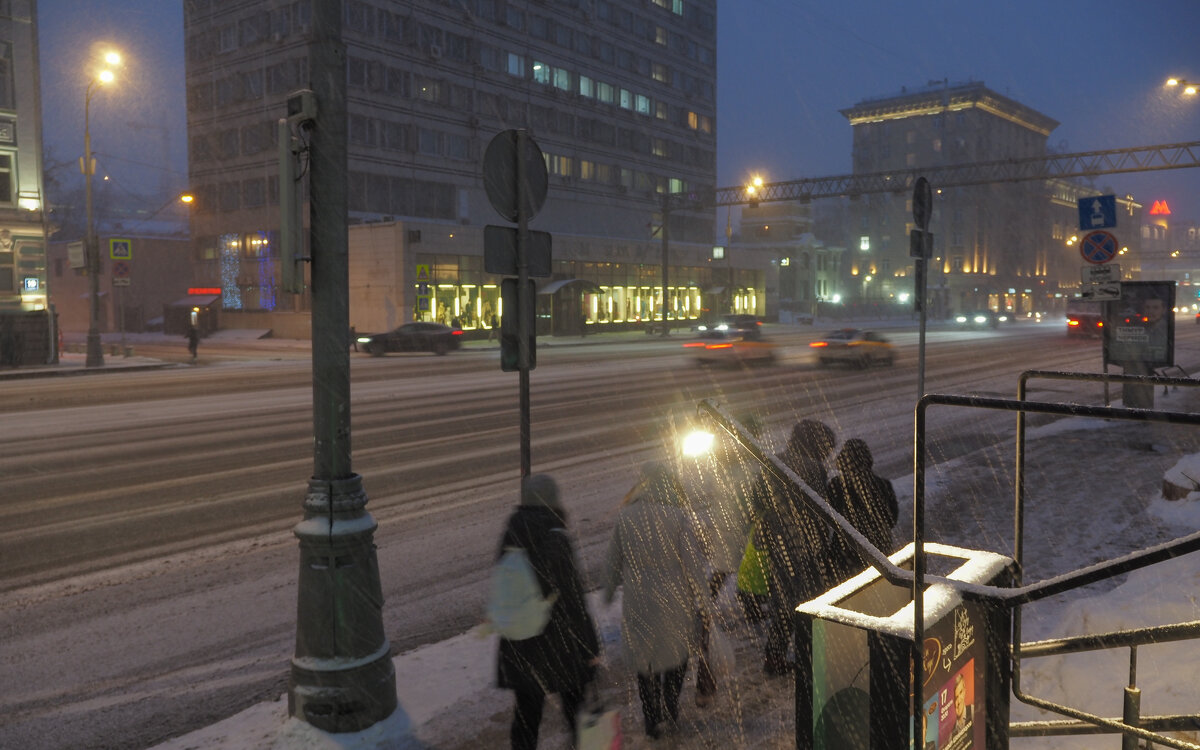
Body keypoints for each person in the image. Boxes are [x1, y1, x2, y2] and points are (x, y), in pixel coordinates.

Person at [495, 474, 600, 750]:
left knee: (527, 714)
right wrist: (590, 647)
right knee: (576, 708)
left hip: (521, 640)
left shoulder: (511, 534)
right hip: (559, 643)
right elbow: (573, 599)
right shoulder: (555, 537)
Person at [604, 460, 707, 739]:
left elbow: (613, 560)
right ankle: (669, 705)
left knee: (645, 659)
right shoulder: (677, 516)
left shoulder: (626, 517)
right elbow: (693, 564)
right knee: (676, 655)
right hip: (674, 601)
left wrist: (608, 591)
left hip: (638, 600)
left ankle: (651, 716)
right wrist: (704, 599)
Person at [753, 419, 837, 676]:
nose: (828, 453)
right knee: (809, 600)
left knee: (783, 601)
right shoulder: (813, 469)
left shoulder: (772, 462)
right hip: (805, 544)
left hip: (778, 543)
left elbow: (756, 503)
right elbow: (821, 510)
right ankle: (810, 657)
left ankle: (774, 655)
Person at [826, 438, 899, 583]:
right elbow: (892, 519)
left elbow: (829, 517)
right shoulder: (883, 484)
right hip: (879, 548)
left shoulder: (836, 485)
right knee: (878, 586)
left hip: (845, 551)